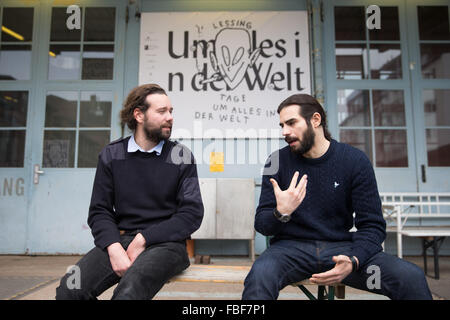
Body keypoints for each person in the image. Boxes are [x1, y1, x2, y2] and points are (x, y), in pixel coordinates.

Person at [242, 94, 432, 300]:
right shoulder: (277, 161)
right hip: (290, 253)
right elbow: (262, 225)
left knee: (409, 277)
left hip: (342, 252)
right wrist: (282, 212)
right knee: (260, 277)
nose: (284, 132)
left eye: (291, 123)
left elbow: (373, 226)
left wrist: (354, 260)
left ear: (315, 120)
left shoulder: (354, 160)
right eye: (282, 125)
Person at [56, 84, 204, 300]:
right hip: (121, 241)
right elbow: (100, 211)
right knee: (69, 289)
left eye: (171, 111)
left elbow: (191, 214)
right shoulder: (112, 154)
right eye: (162, 111)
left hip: (167, 245)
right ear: (139, 115)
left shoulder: (181, 156)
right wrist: (113, 247)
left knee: (128, 292)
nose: (170, 117)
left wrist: (144, 238)